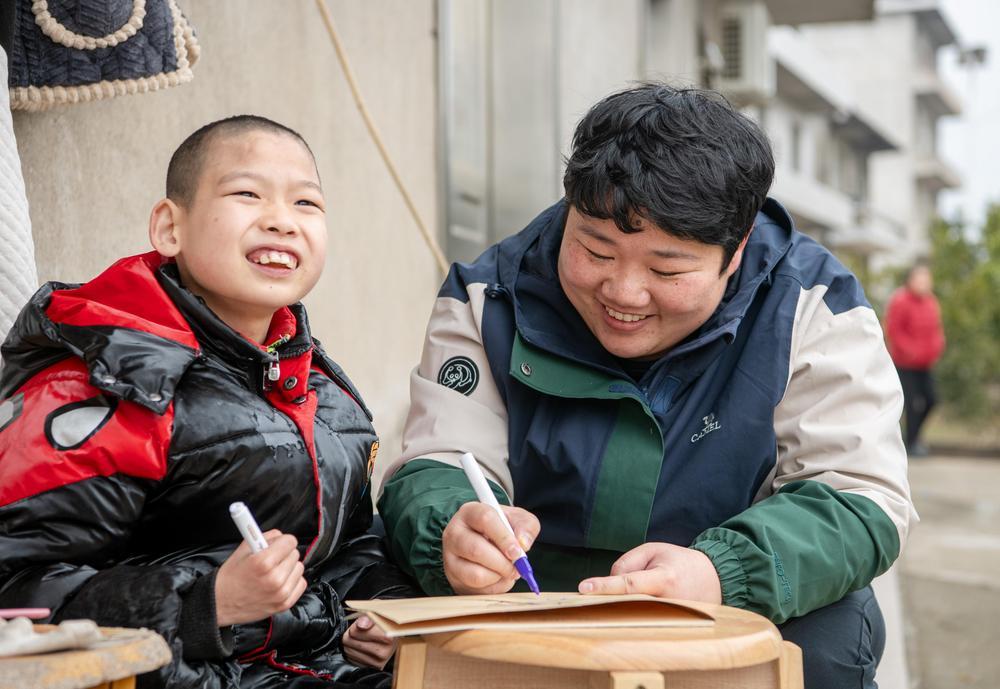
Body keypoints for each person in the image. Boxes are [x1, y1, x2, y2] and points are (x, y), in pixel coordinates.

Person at [378, 84, 915, 689]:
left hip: (728, 600)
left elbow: (859, 496)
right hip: (535, 599)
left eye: (667, 269)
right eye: (595, 249)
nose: (624, 294)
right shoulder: (488, 297)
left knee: (831, 639)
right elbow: (438, 459)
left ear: (734, 252)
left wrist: (721, 572)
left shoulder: (812, 307)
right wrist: (452, 528)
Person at [0, 116, 415, 688]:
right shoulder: (111, 381)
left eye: (306, 203)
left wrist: (379, 613)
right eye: (247, 194)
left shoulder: (324, 391)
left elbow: (351, 551)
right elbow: (16, 592)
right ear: (170, 227)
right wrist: (207, 603)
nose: (281, 220)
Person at [885, 263, 945, 456]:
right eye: (920, 279)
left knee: (931, 400)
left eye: (927, 279)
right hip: (905, 363)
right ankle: (911, 444)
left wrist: (937, 347)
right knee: (910, 403)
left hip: (925, 364)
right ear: (910, 280)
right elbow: (894, 330)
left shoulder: (931, 301)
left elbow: (936, 329)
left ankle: (911, 436)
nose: (924, 283)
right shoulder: (900, 300)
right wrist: (910, 351)